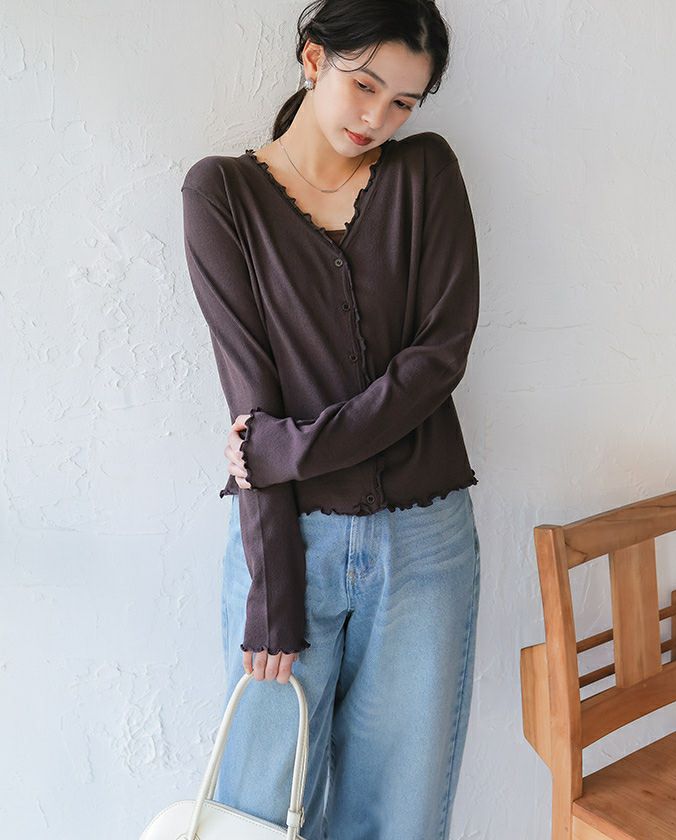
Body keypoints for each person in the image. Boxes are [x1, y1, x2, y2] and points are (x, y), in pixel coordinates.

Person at [180, 1, 481, 837]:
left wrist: (287, 450)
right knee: (259, 815)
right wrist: (274, 589)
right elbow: (252, 410)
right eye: (365, 85)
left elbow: (437, 359)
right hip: (289, 545)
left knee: (401, 818)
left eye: (403, 102)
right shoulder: (222, 194)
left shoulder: (426, 175)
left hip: (426, 547)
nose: (377, 117)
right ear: (314, 59)